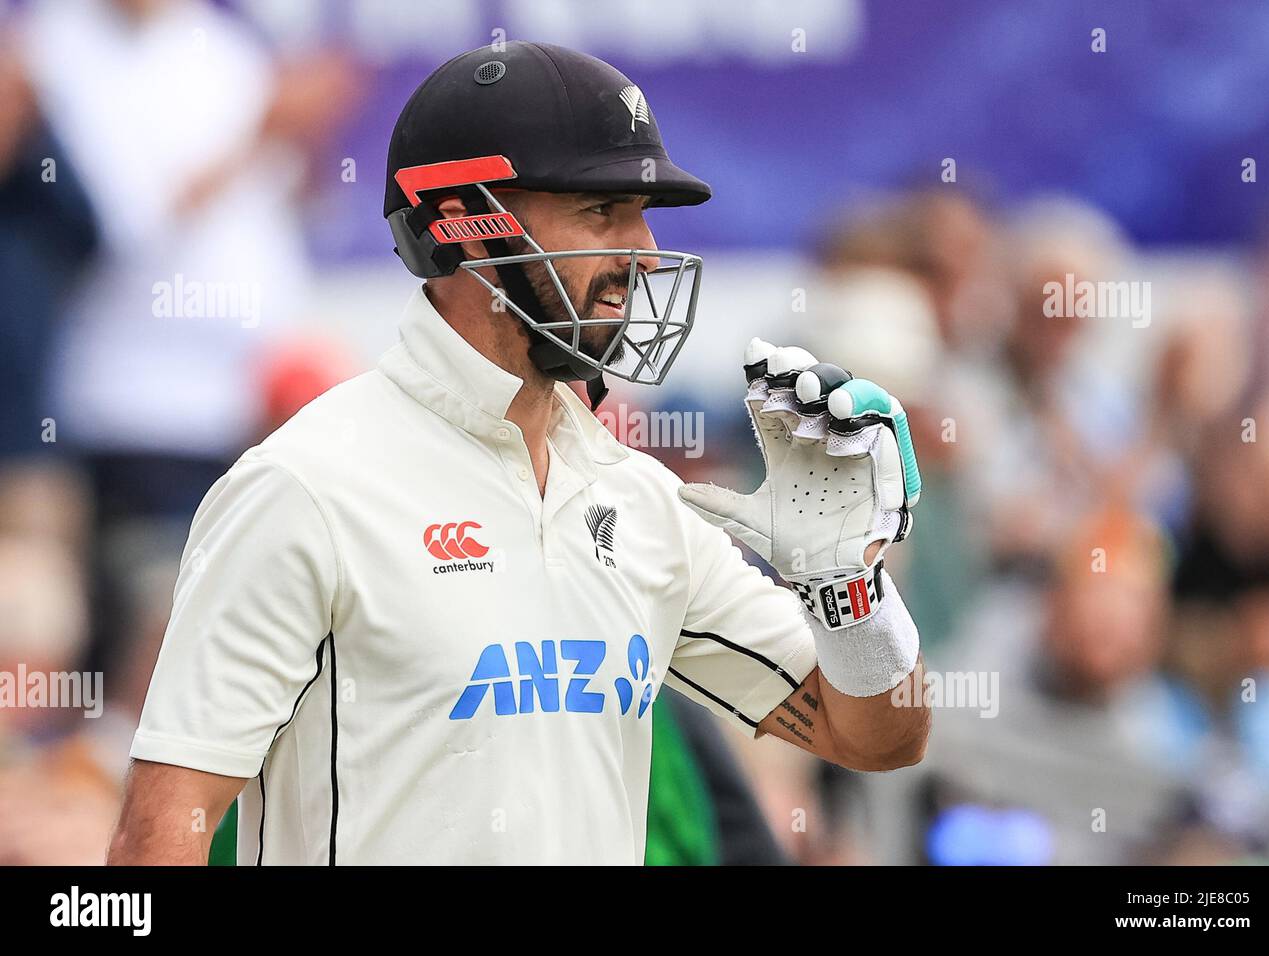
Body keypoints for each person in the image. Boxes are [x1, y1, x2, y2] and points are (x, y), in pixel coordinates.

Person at [109, 41, 929, 865]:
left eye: (643, 213)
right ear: (466, 223)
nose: (643, 252)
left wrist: (848, 591)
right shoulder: (303, 489)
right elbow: (160, 836)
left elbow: (876, 736)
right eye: (601, 211)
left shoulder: (639, 501)